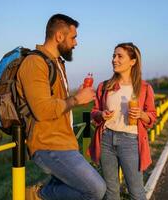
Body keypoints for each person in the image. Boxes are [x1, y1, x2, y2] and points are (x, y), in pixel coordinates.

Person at [16, 14, 106, 200]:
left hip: (65, 142)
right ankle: (38, 195)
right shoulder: (35, 63)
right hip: (48, 144)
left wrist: (75, 96)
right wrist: (76, 100)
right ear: (59, 36)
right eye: (73, 37)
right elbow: (42, 110)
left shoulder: (57, 64)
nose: (76, 43)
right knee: (96, 189)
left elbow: (58, 105)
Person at [88, 42, 157, 200]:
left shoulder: (144, 88)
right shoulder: (105, 86)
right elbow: (94, 112)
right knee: (110, 192)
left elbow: (152, 116)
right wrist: (101, 114)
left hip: (131, 141)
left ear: (133, 62)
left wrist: (141, 114)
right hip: (106, 140)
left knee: (136, 192)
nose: (114, 59)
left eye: (120, 56)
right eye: (113, 55)